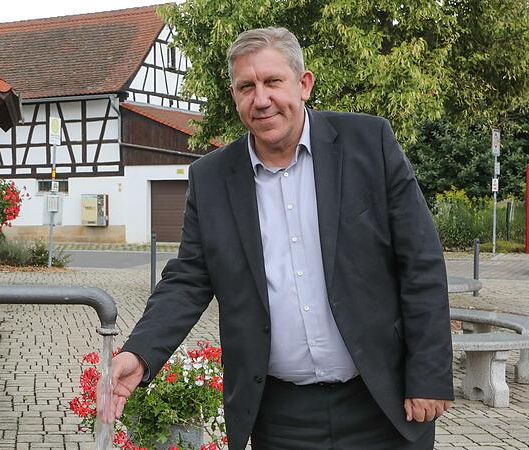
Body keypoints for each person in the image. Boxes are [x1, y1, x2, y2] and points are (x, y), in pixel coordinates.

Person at [105, 27, 454, 450]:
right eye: (246, 86)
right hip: (281, 416)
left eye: (273, 81)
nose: (261, 99)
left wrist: (429, 374)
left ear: (303, 84)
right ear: (235, 97)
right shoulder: (212, 178)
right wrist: (140, 353)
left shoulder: (369, 143)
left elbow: (420, 261)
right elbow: (189, 279)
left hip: (384, 402)